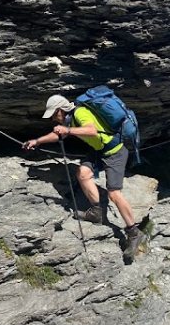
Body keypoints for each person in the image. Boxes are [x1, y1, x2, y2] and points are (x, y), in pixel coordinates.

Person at [23, 94, 145, 260]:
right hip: (98, 151)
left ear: (60, 110)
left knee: (114, 194)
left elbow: (91, 130)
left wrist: (68, 130)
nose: (53, 119)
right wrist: (37, 141)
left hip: (114, 152)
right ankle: (96, 212)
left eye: (53, 115)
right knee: (82, 173)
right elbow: (59, 135)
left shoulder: (80, 113)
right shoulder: (67, 120)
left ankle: (134, 232)